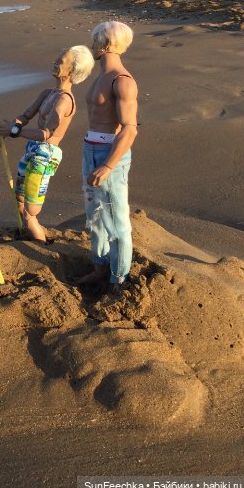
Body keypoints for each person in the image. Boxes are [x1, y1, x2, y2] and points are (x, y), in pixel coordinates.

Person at [0, 45, 95, 242]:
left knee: (31, 211)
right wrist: (10, 126)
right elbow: (25, 116)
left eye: (61, 61)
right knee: (21, 201)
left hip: (45, 155)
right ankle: (32, 235)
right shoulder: (48, 93)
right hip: (32, 150)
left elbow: (47, 134)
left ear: (72, 71)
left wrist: (15, 132)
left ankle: (41, 245)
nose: (55, 63)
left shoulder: (65, 100)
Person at [77, 20, 138, 293]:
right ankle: (99, 267)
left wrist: (108, 165)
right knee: (95, 215)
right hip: (90, 149)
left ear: (107, 44)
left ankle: (118, 278)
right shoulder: (100, 76)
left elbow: (130, 129)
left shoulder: (122, 81)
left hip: (108, 154)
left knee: (116, 219)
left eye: (96, 39)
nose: (93, 44)